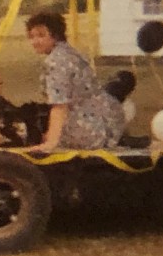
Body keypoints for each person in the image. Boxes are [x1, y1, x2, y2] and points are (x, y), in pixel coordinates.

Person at [26, 11, 125, 151]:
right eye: (31, 36)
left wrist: (51, 141)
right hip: (106, 125)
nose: (35, 41)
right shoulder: (71, 53)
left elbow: (60, 105)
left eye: (41, 35)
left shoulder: (56, 62)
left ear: (55, 35)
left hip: (86, 129)